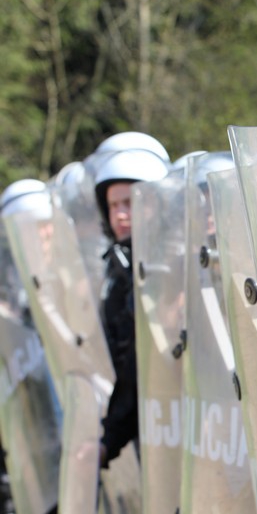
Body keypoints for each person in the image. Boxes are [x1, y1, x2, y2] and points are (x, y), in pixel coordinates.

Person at [93, 145, 170, 467]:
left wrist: (109, 440)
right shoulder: (117, 269)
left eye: (130, 202)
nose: (121, 214)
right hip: (148, 428)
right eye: (113, 205)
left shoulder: (174, 266)